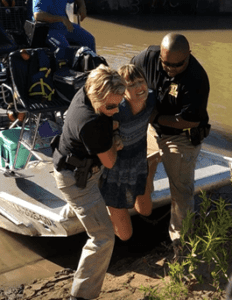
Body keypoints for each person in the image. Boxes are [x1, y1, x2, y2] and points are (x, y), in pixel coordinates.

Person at [52, 64, 126, 300]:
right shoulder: (91, 123)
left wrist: (111, 125)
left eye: (119, 103)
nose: (116, 110)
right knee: (103, 237)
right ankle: (81, 296)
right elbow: (111, 161)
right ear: (96, 97)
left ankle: (68, 215)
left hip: (74, 168)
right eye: (111, 106)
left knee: (80, 210)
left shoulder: (86, 88)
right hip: (77, 181)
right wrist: (114, 137)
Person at [130, 33, 210, 244]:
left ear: (188, 56)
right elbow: (126, 77)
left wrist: (154, 115)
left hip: (180, 136)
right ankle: (142, 217)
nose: (170, 69)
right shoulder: (148, 57)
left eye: (177, 65)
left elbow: (190, 121)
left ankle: (180, 243)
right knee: (139, 174)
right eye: (165, 64)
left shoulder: (197, 79)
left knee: (181, 192)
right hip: (152, 129)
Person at [100, 64, 157, 241]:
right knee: (125, 235)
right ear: (122, 91)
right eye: (131, 85)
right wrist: (114, 136)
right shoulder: (118, 110)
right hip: (116, 171)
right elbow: (98, 130)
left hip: (138, 160)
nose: (140, 88)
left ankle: (150, 171)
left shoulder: (152, 99)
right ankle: (105, 208)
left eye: (141, 82)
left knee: (146, 210)